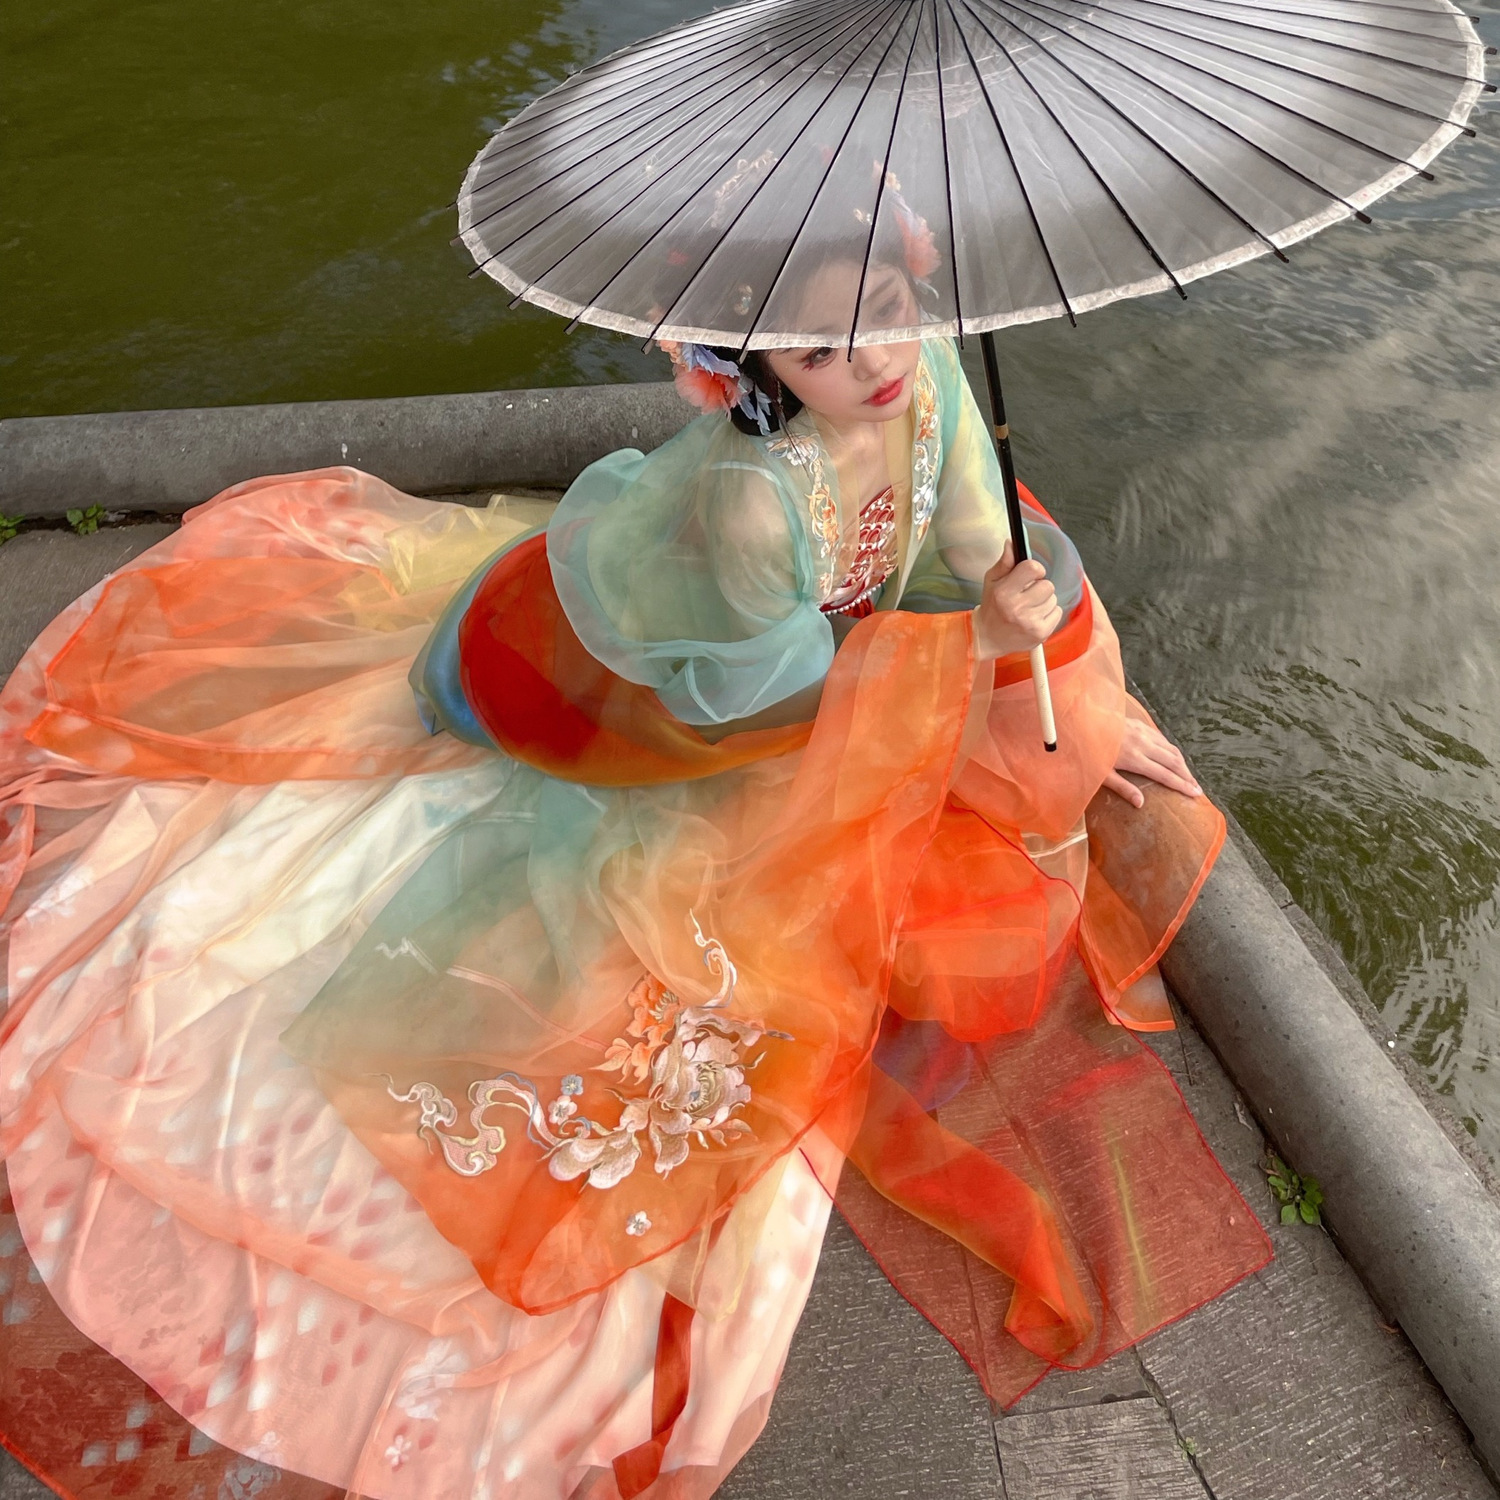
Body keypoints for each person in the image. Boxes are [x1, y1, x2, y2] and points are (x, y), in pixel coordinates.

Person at [0, 246, 1269, 1500]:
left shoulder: (924, 368)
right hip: (707, 706)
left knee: (1051, 612)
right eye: (823, 348)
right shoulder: (752, 501)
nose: (875, 362)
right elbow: (765, 703)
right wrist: (960, 650)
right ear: (753, 363)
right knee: (692, 947)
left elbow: (975, 537)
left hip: (862, 646)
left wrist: (1013, 620)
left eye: (889, 315)